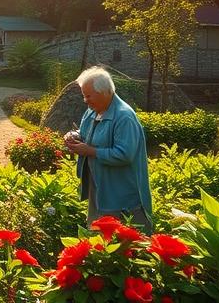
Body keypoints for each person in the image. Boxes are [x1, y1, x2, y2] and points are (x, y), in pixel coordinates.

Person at [64, 66, 153, 232]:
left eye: (88, 96)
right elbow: (85, 133)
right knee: (99, 240)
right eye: (84, 96)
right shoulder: (92, 111)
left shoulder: (124, 116)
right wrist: (73, 136)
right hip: (99, 188)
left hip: (120, 195)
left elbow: (124, 154)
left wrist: (90, 151)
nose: (85, 100)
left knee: (123, 242)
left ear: (104, 92)